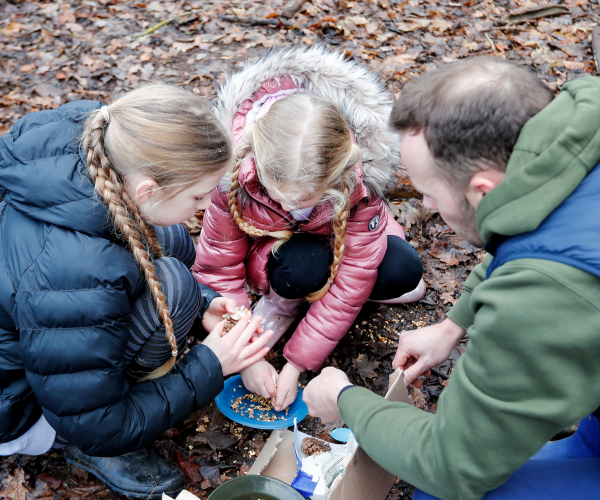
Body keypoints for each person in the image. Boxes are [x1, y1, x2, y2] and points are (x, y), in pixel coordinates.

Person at [303, 57, 600, 500]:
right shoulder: (578, 139)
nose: (424, 204)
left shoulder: (544, 294)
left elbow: (450, 465)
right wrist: (453, 323)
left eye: (430, 192)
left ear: (483, 189)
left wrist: (346, 400)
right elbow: (537, 236)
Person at [0, 83, 273, 499]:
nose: (202, 209)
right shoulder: (78, 272)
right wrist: (211, 364)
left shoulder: (98, 132)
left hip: (43, 338)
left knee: (174, 241)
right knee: (176, 285)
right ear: (146, 190)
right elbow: (101, 424)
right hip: (16, 409)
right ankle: (71, 442)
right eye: (197, 196)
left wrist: (203, 306)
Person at [194, 45, 425, 412]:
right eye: (278, 196)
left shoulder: (356, 185)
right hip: (280, 256)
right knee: (304, 266)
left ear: (338, 179)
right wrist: (250, 353)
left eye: (303, 200)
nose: (289, 207)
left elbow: (352, 279)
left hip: (335, 241)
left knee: (403, 271)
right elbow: (217, 269)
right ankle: (283, 300)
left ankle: (310, 298)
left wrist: (296, 364)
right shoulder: (233, 177)